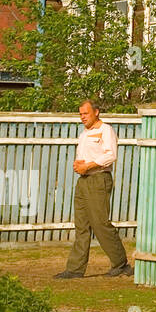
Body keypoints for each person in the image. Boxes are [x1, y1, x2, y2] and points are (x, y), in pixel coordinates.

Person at [54, 99, 134, 278]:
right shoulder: (84, 133)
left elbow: (111, 155)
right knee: (81, 225)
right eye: (80, 114)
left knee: (100, 223)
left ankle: (121, 264)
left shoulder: (105, 130)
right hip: (83, 181)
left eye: (85, 113)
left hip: (99, 179)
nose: (82, 117)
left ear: (96, 112)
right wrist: (78, 164)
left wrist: (88, 166)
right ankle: (75, 269)